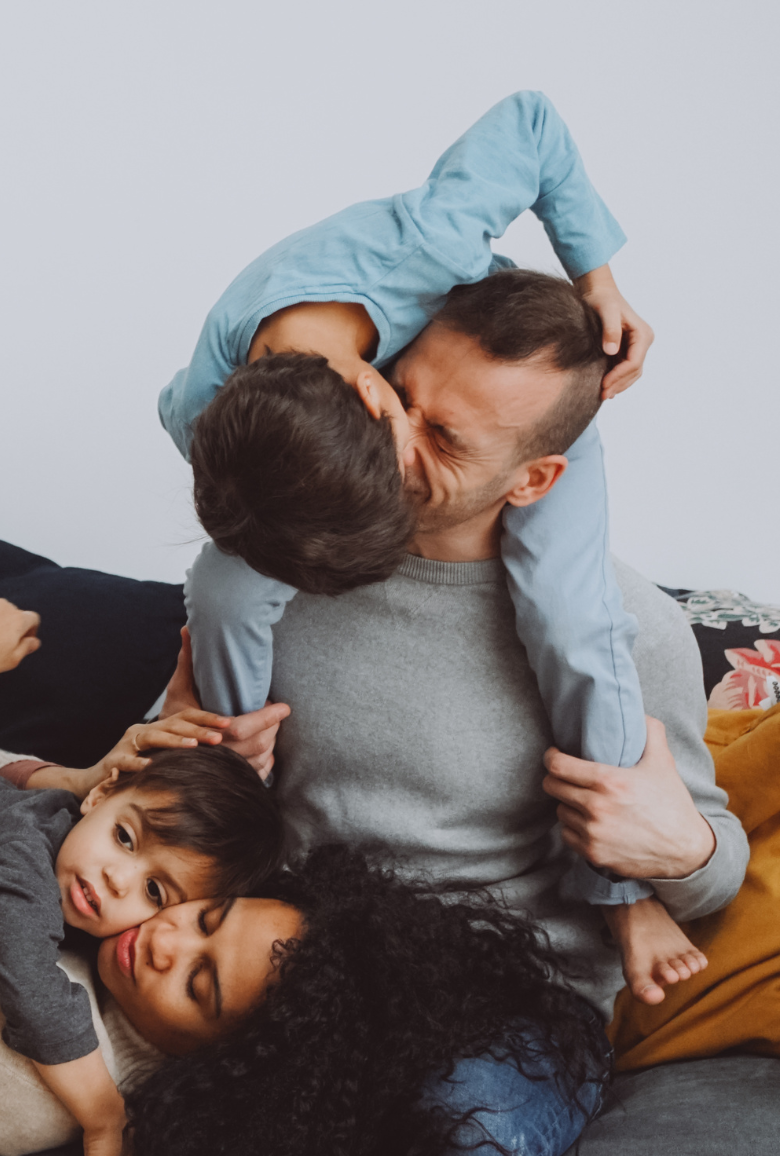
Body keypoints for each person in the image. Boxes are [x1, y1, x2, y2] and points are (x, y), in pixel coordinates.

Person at [159, 272, 749, 1156]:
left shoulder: (625, 630)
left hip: (508, 1007)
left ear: (535, 479)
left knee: (455, 1135)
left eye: (446, 440)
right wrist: (182, 749)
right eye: (403, 399)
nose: (395, 442)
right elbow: (149, 794)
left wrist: (677, 848)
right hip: (297, 973)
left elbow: (715, 871)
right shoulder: (281, 562)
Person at [159, 92, 665, 972]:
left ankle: (622, 897)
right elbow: (174, 409)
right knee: (224, 588)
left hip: (506, 391)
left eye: (410, 454)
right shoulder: (207, 416)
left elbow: (532, 124)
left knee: (574, 623)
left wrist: (599, 283)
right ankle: (232, 812)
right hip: (399, 406)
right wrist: (218, 734)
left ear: (369, 392)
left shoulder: (426, 249)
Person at [0, 599, 303, 1156]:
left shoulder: (17, 977)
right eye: (203, 919)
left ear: (214, 1058)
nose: (166, 939)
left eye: (198, 983)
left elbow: (29, 972)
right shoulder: (74, 867)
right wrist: (73, 780)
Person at [126, 845, 613, 1156]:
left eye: (207, 920)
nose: (163, 939)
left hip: (521, 997)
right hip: (325, 979)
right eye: (196, 983)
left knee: (463, 1131)